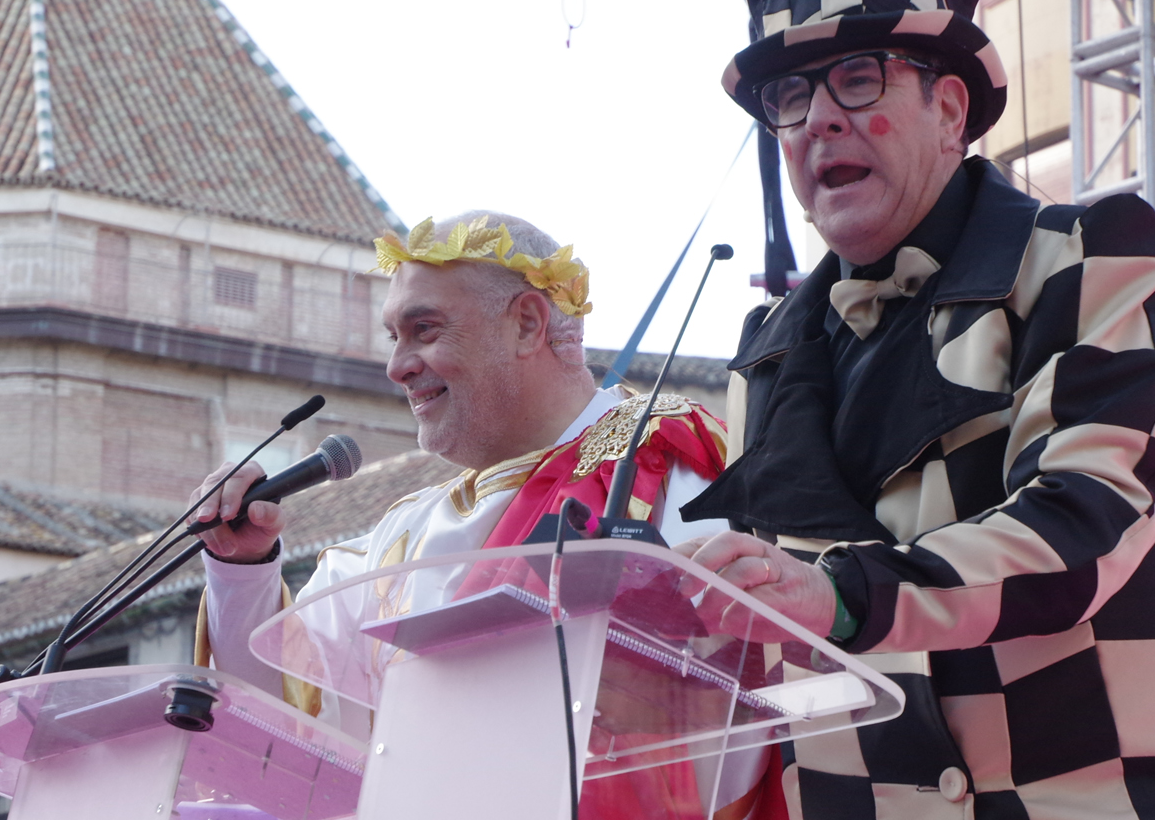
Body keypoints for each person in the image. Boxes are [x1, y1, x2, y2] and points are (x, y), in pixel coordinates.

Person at [641, 0, 1155, 819]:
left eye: (858, 78)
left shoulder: (1087, 252)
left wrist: (841, 595)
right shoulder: (768, 352)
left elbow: (1085, 526)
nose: (818, 120)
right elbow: (783, 663)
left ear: (951, 109)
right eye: (790, 96)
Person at [189, 212, 750, 812]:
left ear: (527, 324)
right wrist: (242, 567)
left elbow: (729, 704)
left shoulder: (664, 461)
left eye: (424, 329)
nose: (397, 365)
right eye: (393, 337)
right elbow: (279, 721)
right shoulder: (402, 533)